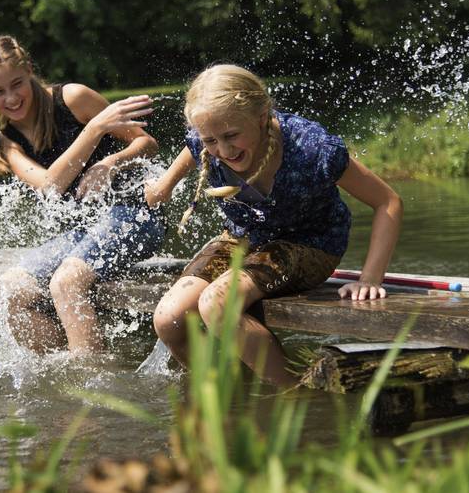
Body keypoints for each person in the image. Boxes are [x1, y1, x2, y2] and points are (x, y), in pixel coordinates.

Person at [144, 64, 402, 385]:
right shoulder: (205, 141)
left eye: (231, 136)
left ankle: (292, 398)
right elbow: (192, 148)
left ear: (263, 116)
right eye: (211, 139)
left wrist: (370, 278)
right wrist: (164, 184)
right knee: (169, 319)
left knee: (216, 304)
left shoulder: (312, 148)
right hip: (244, 237)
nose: (223, 151)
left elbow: (388, 202)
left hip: (309, 243)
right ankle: (228, 392)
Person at [0, 35, 165, 354]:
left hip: (134, 216)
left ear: (29, 70)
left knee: (66, 283)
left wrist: (112, 162)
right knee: (1, 298)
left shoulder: (73, 98)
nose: (12, 98)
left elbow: (147, 144)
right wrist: (95, 129)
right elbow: (50, 186)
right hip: (83, 231)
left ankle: (92, 379)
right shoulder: (6, 140)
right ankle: (70, 370)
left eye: (17, 83)